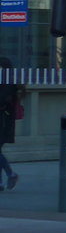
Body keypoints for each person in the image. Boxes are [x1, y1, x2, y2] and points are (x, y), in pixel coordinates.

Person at [0, 56, 21, 190]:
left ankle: (10, 174)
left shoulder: (8, 83)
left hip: (3, 120)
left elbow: (3, 100)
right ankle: (3, 180)